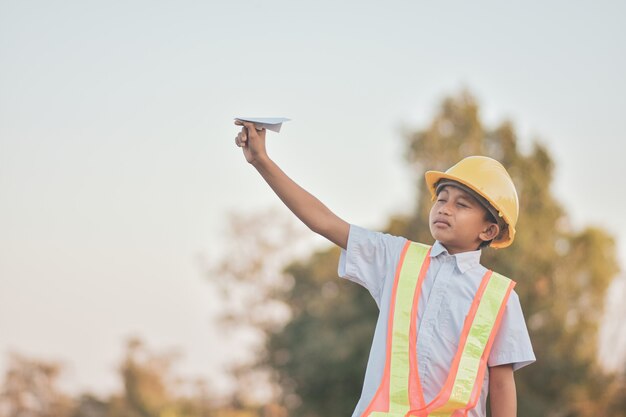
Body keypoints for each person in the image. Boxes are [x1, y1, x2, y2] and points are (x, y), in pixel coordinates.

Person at [234, 119, 535, 417]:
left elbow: (502, 383)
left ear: (489, 231)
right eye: (441, 198)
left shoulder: (501, 297)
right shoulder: (397, 258)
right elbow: (323, 221)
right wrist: (262, 162)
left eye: (462, 204)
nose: (445, 208)